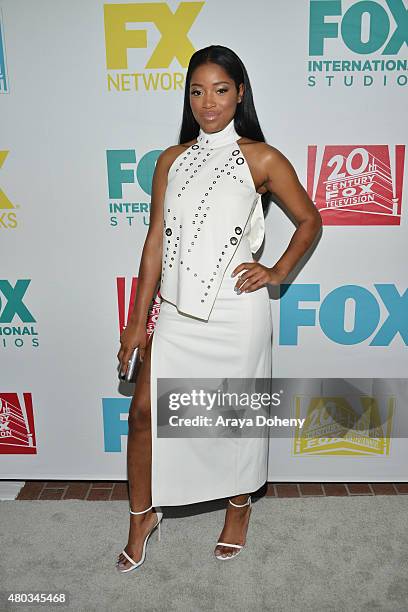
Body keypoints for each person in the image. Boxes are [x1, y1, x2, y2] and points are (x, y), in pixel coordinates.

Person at [116, 45, 322, 572]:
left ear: (241, 92)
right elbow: (155, 242)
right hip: (177, 314)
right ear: (188, 97)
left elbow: (309, 221)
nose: (208, 102)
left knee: (234, 420)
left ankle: (237, 507)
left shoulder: (262, 157)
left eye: (221, 89)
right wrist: (137, 323)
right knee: (143, 415)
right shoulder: (171, 160)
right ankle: (142, 516)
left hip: (237, 314)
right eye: (197, 91)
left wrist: (275, 271)